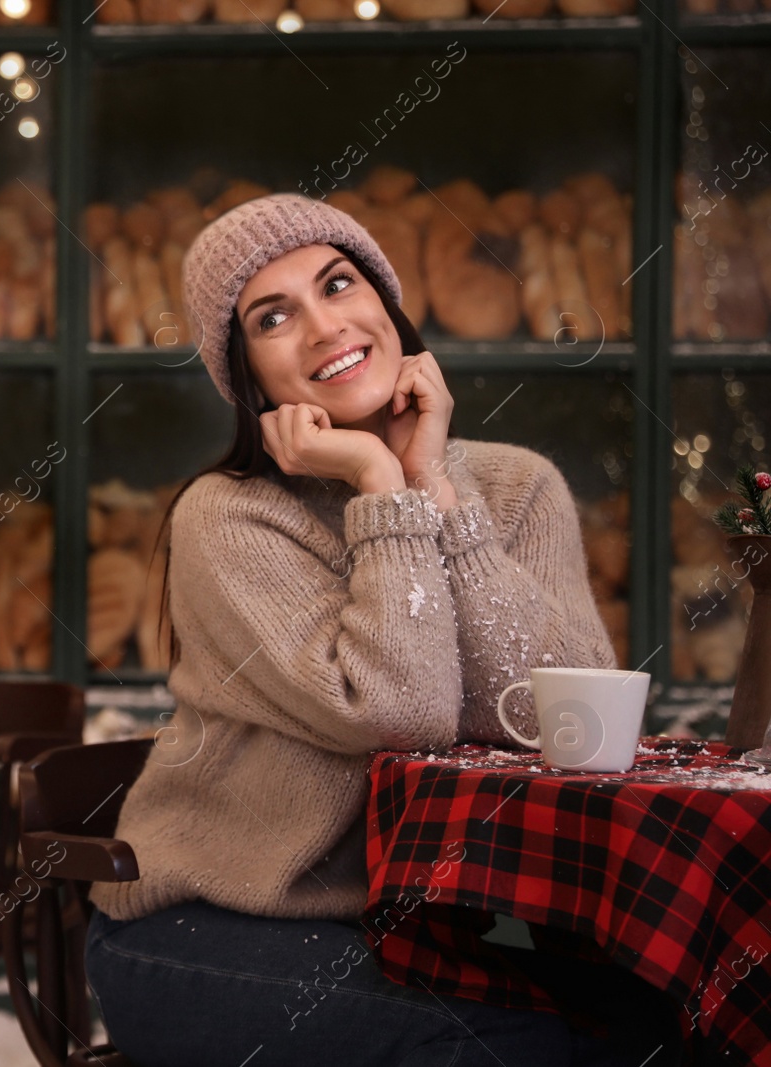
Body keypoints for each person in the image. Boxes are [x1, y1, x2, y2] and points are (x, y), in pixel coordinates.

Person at [83, 194, 680, 1066]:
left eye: (339, 283)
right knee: (517, 1051)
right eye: (274, 316)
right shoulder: (229, 518)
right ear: (248, 379)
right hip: (205, 931)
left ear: (389, 308)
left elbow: (559, 718)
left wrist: (433, 482)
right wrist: (378, 481)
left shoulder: (518, 488)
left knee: (671, 1020)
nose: (324, 326)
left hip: (413, 929)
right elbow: (399, 713)